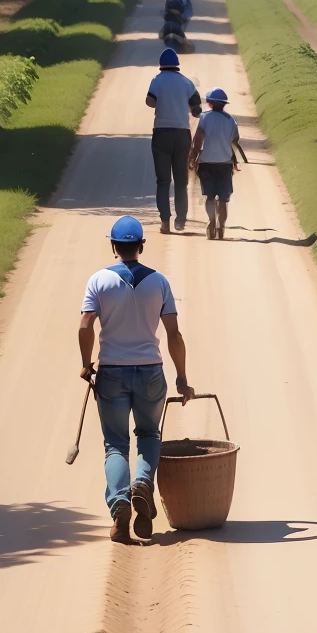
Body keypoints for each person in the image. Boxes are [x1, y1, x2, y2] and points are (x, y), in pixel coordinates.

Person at [79, 216, 195, 543]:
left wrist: (87, 364)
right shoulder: (159, 282)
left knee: (115, 444)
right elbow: (174, 333)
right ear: (141, 246)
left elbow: (86, 325)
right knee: (148, 434)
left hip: (112, 372)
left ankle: (119, 510)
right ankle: (143, 481)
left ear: (114, 247)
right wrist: (182, 378)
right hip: (150, 372)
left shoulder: (98, 281)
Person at [146, 47, 201, 233]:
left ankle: (165, 222)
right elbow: (196, 107)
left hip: (162, 132)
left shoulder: (157, 80)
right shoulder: (186, 83)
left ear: (161, 65)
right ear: (177, 64)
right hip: (182, 134)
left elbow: (150, 102)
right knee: (181, 180)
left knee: (163, 181)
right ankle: (180, 220)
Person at [190, 87, 240, 239]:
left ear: (210, 103)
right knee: (223, 199)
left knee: (210, 196)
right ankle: (221, 226)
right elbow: (235, 141)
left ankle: (211, 222)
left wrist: (194, 155)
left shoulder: (204, 118)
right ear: (224, 104)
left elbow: (198, 139)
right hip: (225, 164)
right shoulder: (230, 120)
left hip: (207, 163)